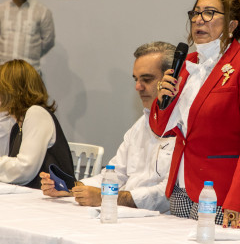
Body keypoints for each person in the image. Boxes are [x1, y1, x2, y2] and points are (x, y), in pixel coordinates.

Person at [152, 0, 240, 226]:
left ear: (232, 25)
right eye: (196, 13)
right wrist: (163, 100)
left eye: (209, 13)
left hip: (224, 190)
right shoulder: (187, 63)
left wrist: (237, 199)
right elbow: (161, 129)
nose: (199, 19)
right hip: (182, 184)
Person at [39, 41, 176, 212]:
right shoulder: (141, 125)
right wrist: (71, 188)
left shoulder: (184, 126)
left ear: (172, 79)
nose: (138, 87)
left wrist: (107, 197)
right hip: (127, 213)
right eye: (136, 79)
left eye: (147, 79)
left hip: (161, 220)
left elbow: (168, 194)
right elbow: (115, 174)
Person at [0, 59, 74, 188]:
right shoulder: (17, 126)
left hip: (54, 197)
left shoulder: (36, 114)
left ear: (11, 92)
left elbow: (24, 170)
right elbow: (15, 177)